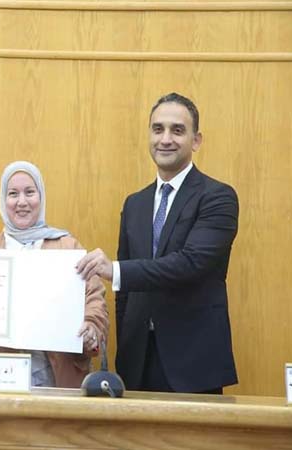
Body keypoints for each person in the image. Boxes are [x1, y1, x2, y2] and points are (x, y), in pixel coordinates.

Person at [76, 92, 239, 394]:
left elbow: (191, 263)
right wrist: (124, 347)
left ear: (196, 140)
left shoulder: (218, 197)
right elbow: (124, 295)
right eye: (158, 129)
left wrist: (115, 270)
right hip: (137, 360)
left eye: (177, 130)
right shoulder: (135, 204)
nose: (165, 139)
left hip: (193, 363)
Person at [0, 161, 109, 388]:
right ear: (3, 200)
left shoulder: (68, 248)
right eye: (13, 194)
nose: (22, 202)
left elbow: (94, 301)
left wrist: (91, 327)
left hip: (54, 379)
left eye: (30, 192)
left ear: (41, 197)